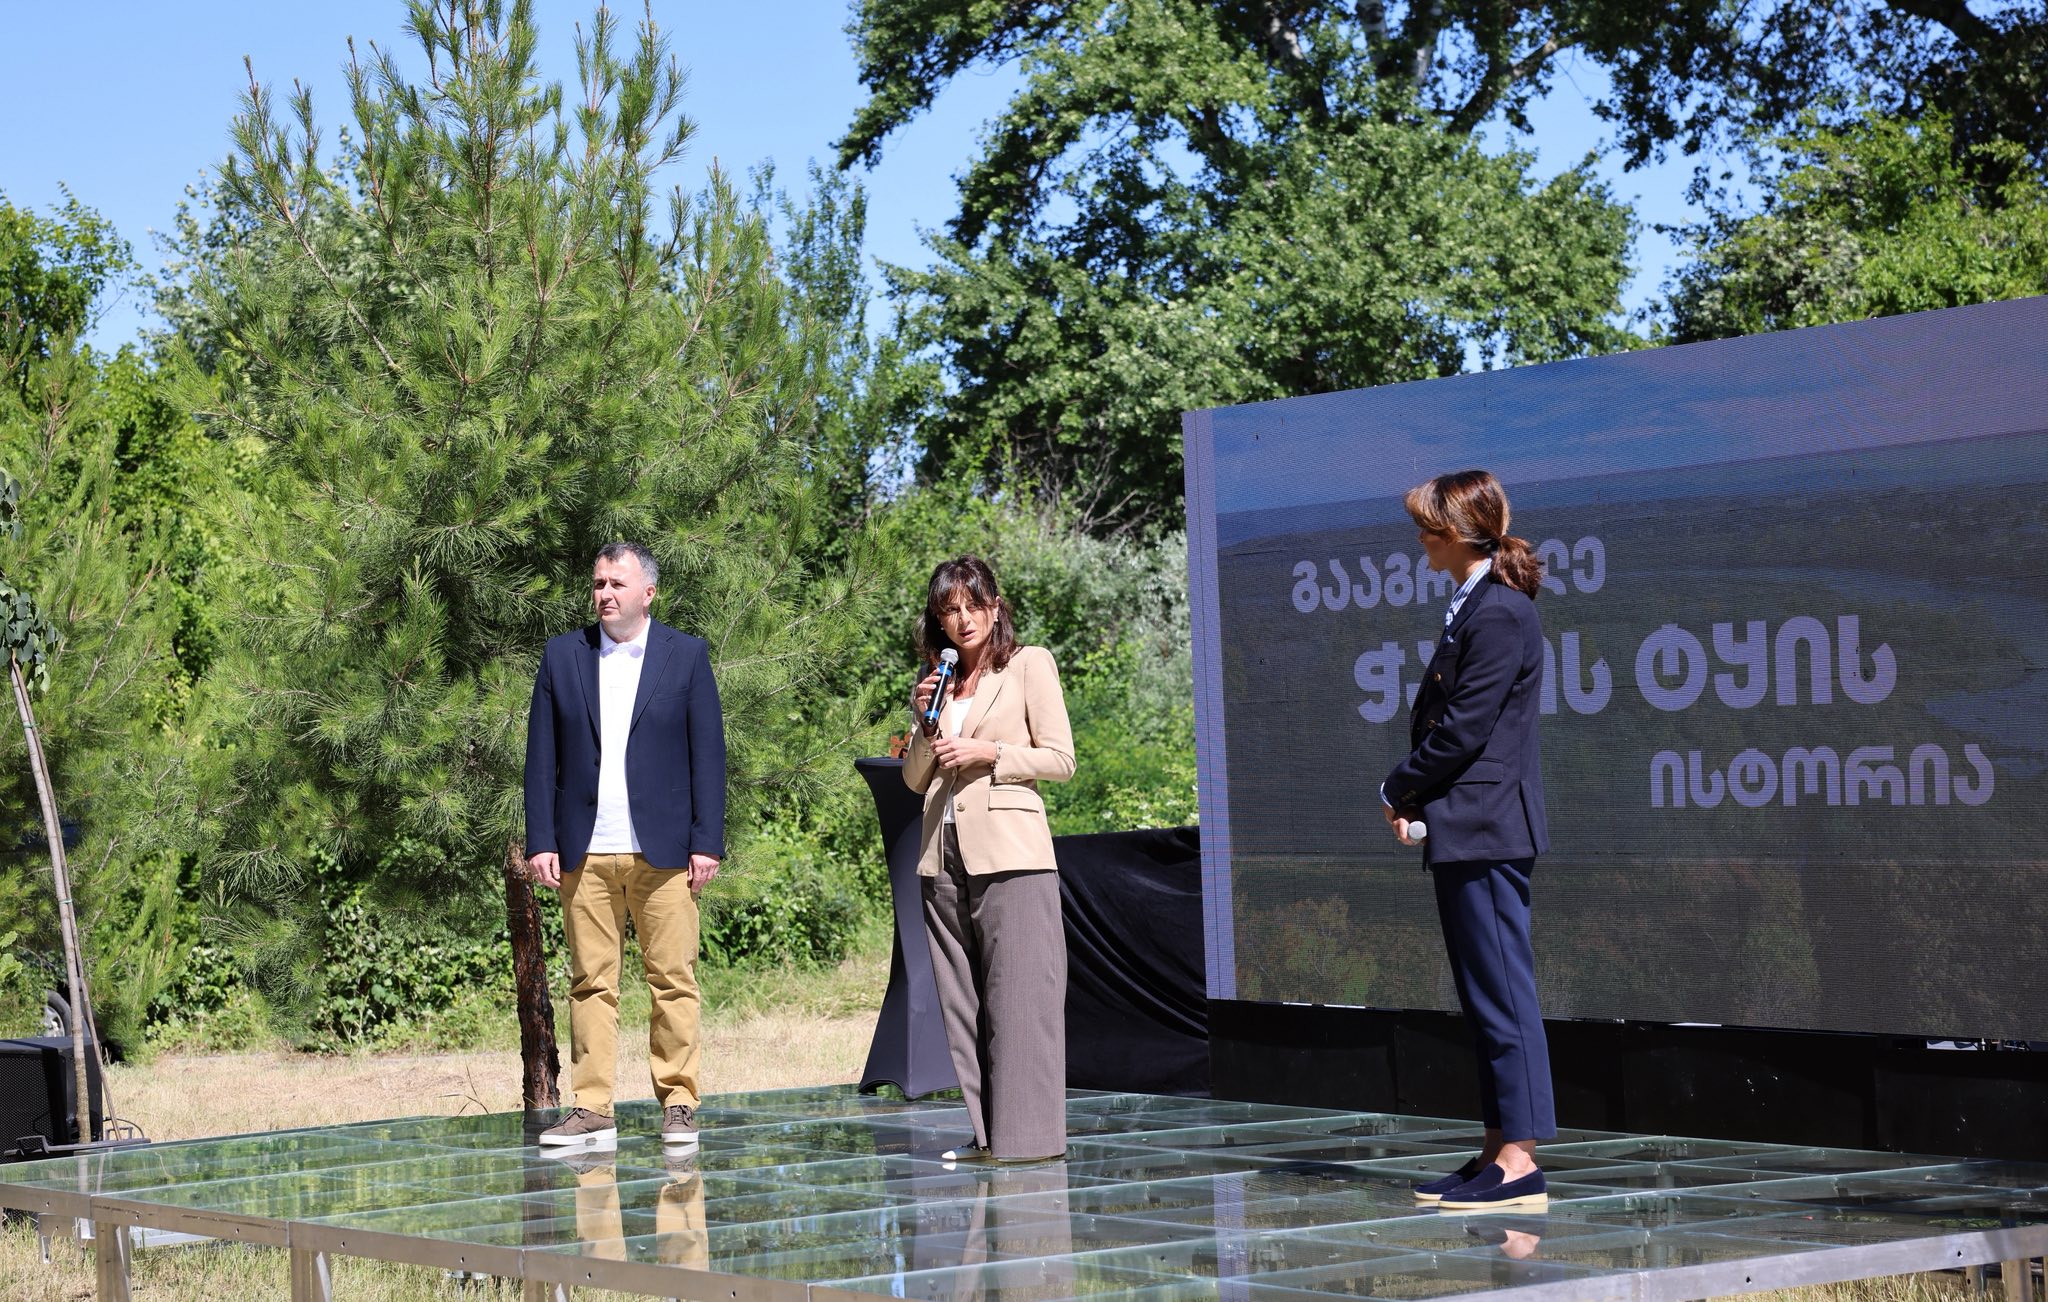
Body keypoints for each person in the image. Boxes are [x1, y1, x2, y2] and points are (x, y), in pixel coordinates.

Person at [1381, 470, 1555, 1211]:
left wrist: (1398, 786)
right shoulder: (1476, 606)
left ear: (1455, 532)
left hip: (1488, 827)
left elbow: (1463, 731)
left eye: (1427, 527)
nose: (1420, 539)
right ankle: (1496, 1147)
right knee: (1486, 1000)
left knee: (1505, 995)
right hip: (1466, 826)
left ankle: (1520, 1161)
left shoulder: (1501, 613)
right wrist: (1418, 796)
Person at [524, 542, 726, 1151]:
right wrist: (541, 839)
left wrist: (706, 841)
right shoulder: (563, 655)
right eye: (598, 584)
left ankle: (680, 1103)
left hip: (665, 851)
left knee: (674, 980)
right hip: (584, 849)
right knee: (590, 982)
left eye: (617, 583)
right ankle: (592, 1109)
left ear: (648, 593)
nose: (605, 593)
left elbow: (708, 755)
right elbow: (541, 758)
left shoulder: (685, 655)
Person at [903, 556, 1076, 1163]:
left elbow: (1061, 760)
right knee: (963, 1002)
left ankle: (1029, 1142)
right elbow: (914, 779)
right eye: (949, 610)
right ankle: (987, 1135)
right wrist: (923, 724)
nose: (962, 619)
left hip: (1012, 852)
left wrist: (990, 752)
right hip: (942, 852)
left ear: (994, 606)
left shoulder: (1029, 664)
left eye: (973, 605)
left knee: (1021, 999)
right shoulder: (937, 679)